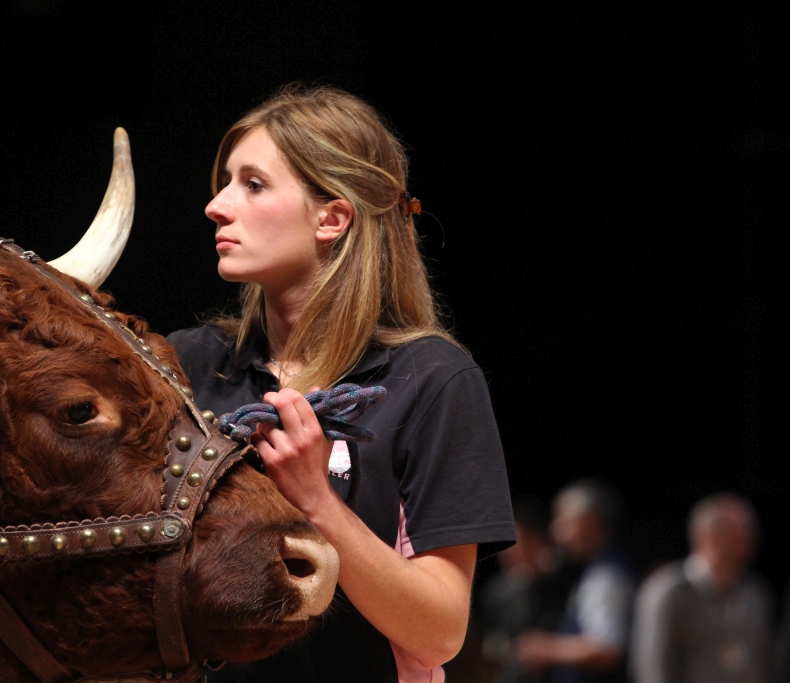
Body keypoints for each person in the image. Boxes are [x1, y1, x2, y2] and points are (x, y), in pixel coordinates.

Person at [166, 85, 515, 683]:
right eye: (225, 183)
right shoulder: (189, 363)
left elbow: (440, 633)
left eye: (253, 184)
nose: (216, 206)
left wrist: (317, 500)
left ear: (331, 218)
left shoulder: (430, 379)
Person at [629, 493, 773, 683]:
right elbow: (653, 668)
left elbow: (762, 664)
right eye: (734, 529)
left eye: (749, 530)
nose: (746, 537)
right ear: (707, 534)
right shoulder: (669, 591)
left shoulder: (755, 594)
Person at [512, 478, 634, 683]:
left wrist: (546, 649)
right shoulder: (590, 569)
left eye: (564, 519)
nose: (555, 528)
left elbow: (608, 648)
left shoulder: (606, 576)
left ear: (591, 521)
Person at [480, 496, 574, 683]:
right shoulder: (498, 593)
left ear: (537, 540)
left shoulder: (566, 583)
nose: (507, 553)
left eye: (514, 544)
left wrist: (549, 649)